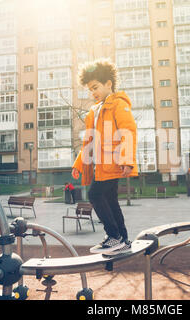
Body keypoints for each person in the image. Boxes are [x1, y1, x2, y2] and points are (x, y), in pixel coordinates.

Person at [71, 59, 138, 255]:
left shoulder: (118, 104)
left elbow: (128, 131)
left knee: (95, 194)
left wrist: (127, 160)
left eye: (95, 87)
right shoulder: (95, 111)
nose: (93, 93)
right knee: (110, 199)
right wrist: (80, 164)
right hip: (100, 165)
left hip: (113, 162)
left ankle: (113, 236)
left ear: (108, 83)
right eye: (90, 90)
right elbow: (88, 142)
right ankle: (123, 239)